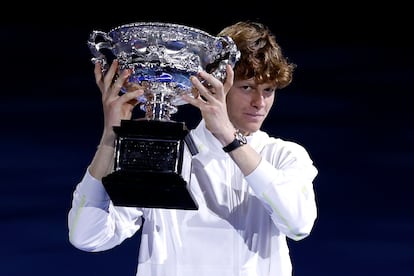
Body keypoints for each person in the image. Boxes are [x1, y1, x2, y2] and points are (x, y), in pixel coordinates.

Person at [68, 21, 318, 276]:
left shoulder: (284, 155)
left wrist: (230, 139)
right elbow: (87, 236)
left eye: (268, 90)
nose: (259, 103)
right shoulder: (165, 153)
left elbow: (298, 225)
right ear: (213, 84)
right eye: (247, 87)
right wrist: (110, 139)